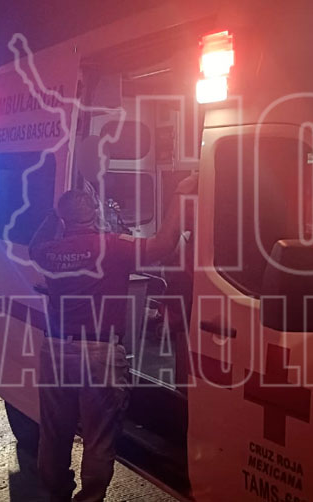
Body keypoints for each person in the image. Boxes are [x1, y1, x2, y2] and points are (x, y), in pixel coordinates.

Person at [30, 173, 197, 502]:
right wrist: (180, 193)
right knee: (99, 438)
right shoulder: (114, 245)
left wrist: (54, 213)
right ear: (94, 213)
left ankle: (56, 494)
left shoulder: (49, 250)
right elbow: (163, 245)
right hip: (99, 354)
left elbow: (34, 245)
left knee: (54, 433)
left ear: (63, 220)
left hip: (55, 350)